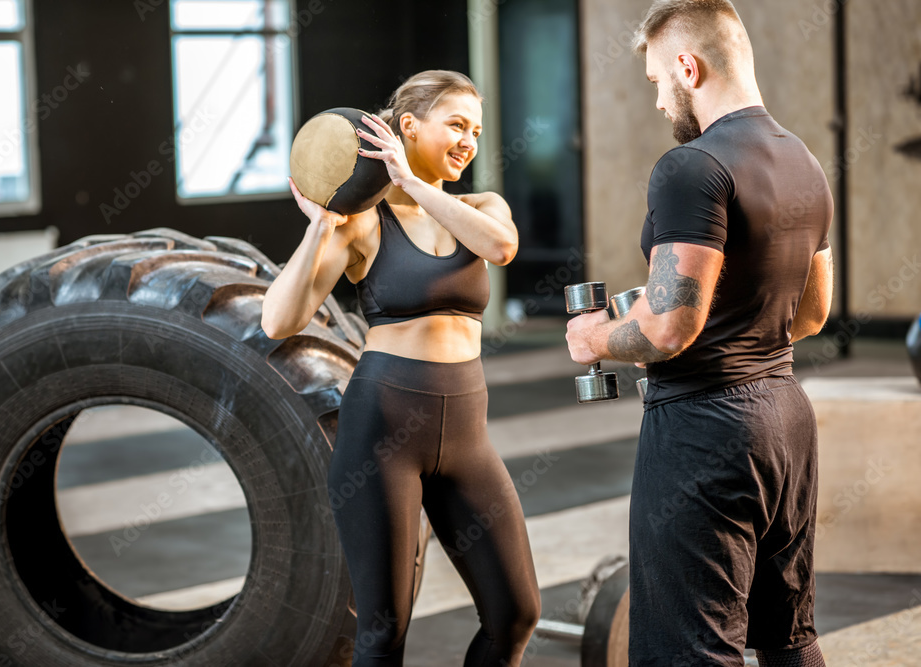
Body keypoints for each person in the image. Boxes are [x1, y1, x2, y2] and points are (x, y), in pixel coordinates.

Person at [565, 2, 833, 666]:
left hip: (705, 433)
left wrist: (597, 338)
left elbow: (668, 327)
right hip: (786, 420)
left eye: (658, 80)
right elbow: (811, 313)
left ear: (689, 67)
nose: (659, 100)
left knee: (689, 652)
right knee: (788, 636)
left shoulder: (689, 167)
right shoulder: (803, 161)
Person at [262, 70, 541, 667]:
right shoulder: (366, 224)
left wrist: (412, 180)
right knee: (382, 635)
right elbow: (278, 321)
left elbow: (501, 248)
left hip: (467, 434)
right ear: (408, 126)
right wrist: (321, 226)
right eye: (456, 125)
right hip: (382, 430)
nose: (469, 140)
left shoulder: (480, 207)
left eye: (476, 129)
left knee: (515, 613)